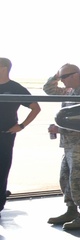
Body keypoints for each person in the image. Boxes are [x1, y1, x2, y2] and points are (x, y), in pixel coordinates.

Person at [43, 64, 80, 230]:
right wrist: (57, 75)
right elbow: (48, 88)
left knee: (78, 180)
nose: (62, 81)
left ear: (75, 75)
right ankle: (71, 210)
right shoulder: (69, 91)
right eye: (61, 78)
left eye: (64, 77)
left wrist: (59, 129)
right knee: (65, 178)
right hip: (69, 144)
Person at [0, 58, 41, 214]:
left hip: (5, 135)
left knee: (2, 168)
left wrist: (21, 126)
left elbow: (36, 108)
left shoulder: (15, 88)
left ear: (4, 68)